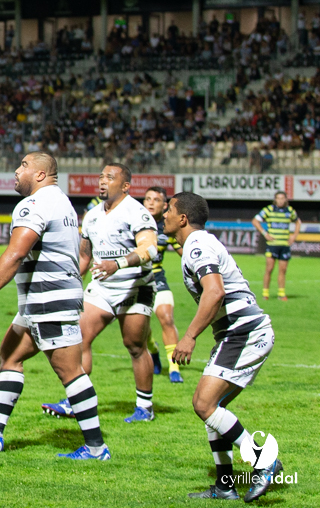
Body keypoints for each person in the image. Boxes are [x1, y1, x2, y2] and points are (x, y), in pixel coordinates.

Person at [0, 151, 109, 460]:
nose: (16, 171)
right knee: (9, 355)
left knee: (70, 371)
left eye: (23, 166)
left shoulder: (34, 204)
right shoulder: (62, 202)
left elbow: (15, 253)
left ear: (40, 174)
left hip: (48, 299)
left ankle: (96, 448)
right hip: (42, 300)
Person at [165, 192, 284, 501]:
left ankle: (264, 462)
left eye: (168, 210)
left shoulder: (197, 245)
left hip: (243, 332)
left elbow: (214, 291)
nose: (164, 214)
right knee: (213, 410)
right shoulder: (198, 243)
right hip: (241, 332)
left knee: (203, 404)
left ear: (182, 219)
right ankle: (225, 486)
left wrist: (189, 336)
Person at [41, 163, 158, 423]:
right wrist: (67, 284)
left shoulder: (137, 213)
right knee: (79, 337)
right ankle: (76, 401)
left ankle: (144, 407)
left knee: (135, 346)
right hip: (102, 288)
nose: (102, 181)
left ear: (126, 186)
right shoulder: (92, 215)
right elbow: (84, 255)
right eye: (101, 176)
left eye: (110, 177)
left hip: (135, 287)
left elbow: (150, 250)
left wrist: (117, 264)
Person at [142, 185, 184, 383]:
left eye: (155, 199)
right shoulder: (135, 223)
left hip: (157, 277)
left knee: (166, 318)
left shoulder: (167, 227)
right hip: (137, 281)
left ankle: (174, 368)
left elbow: (184, 253)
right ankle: (154, 351)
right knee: (141, 329)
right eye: (147, 198)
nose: (150, 202)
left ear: (164, 205)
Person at [252, 191, 299, 301]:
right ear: (275, 199)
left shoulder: (290, 210)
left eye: (283, 198)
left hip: (284, 244)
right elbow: (255, 221)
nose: (281, 200)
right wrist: (265, 233)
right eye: (278, 198)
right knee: (269, 268)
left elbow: (298, 222)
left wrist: (294, 236)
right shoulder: (269, 209)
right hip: (272, 244)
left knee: (283, 270)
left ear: (286, 199)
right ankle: (265, 293)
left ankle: (281, 294)